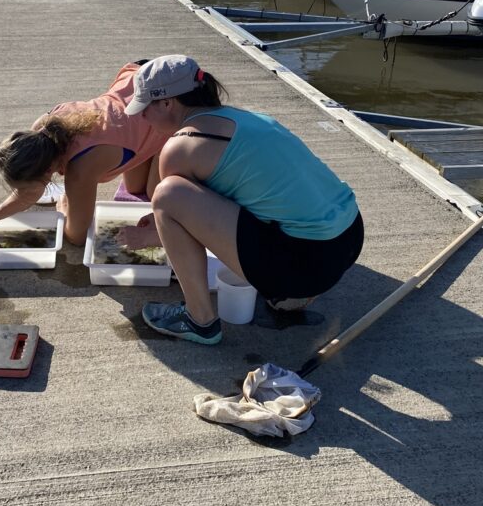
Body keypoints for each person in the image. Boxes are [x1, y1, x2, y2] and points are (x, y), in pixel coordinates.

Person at [118, 55, 364, 345]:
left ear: (168, 103)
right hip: (348, 238)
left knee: (167, 194)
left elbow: (177, 213)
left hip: (307, 264)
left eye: (145, 108)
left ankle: (200, 320)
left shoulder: (180, 147)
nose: (141, 117)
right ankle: (292, 290)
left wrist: (147, 235)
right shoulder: (247, 118)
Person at [0, 62, 169, 246]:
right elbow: (30, 188)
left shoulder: (81, 169)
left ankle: (163, 143)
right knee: (135, 189)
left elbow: (76, 237)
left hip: (165, 99)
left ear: (47, 172)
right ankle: (152, 144)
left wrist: (63, 212)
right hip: (136, 92)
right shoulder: (42, 129)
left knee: (155, 194)